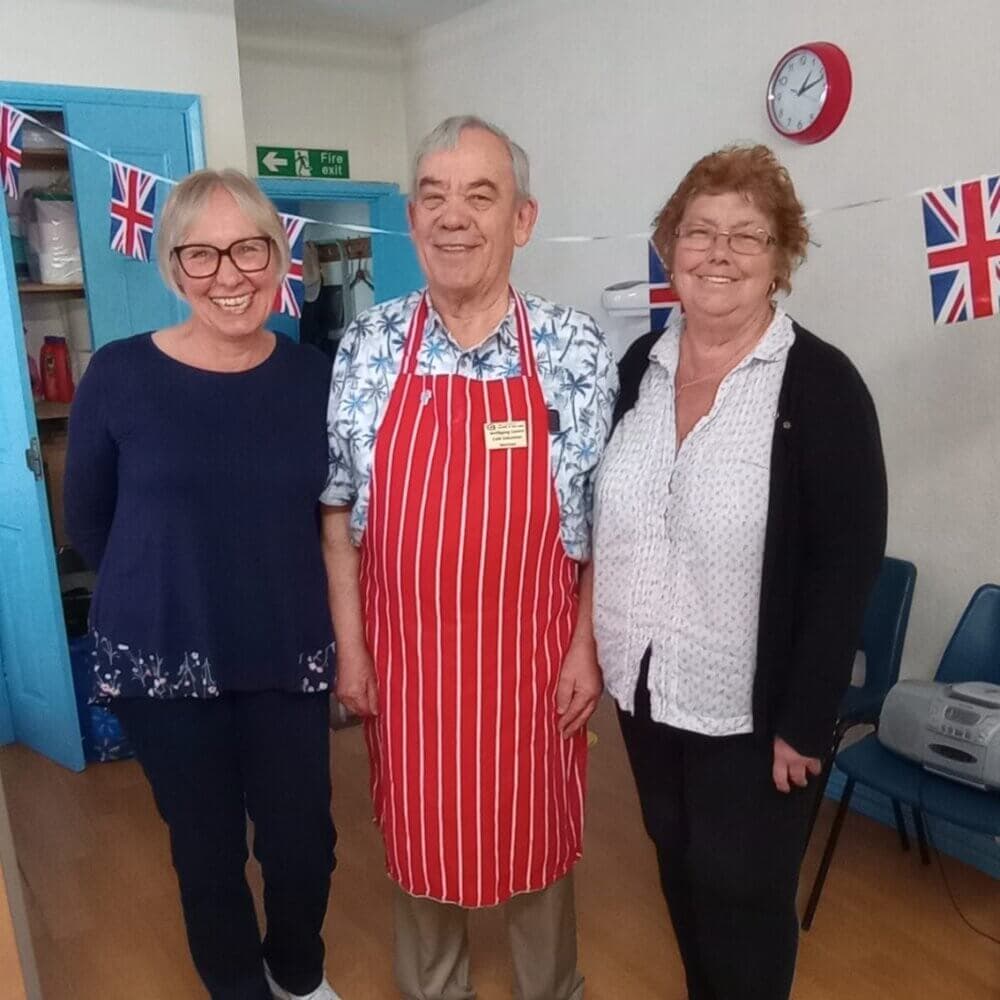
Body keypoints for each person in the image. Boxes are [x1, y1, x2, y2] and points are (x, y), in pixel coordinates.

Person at [320, 115, 618, 1000]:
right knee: (419, 837)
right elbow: (337, 510)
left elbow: (604, 523)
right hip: (405, 660)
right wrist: (351, 646)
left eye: (479, 196)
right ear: (411, 220)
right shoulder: (369, 346)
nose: (454, 217)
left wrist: (585, 645)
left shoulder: (572, 350)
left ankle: (550, 991)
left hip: (535, 656)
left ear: (522, 219)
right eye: (435, 198)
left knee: (536, 834)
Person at [592, 145, 887, 1000]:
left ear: (780, 258)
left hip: (753, 707)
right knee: (680, 868)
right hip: (646, 686)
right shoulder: (637, 368)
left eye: (746, 237)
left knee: (746, 894)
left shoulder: (822, 386)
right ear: (670, 246)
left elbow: (845, 566)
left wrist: (806, 718)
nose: (718, 253)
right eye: (699, 232)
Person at [64, 169, 341, 1000]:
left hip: (286, 644)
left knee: (302, 842)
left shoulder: (313, 378)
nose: (230, 274)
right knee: (207, 847)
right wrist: (170, 587)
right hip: (164, 656)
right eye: (203, 254)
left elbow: (339, 514)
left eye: (249, 248)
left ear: (278, 257)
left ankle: (296, 972)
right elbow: (90, 520)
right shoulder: (119, 374)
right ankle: (237, 988)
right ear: (173, 268)